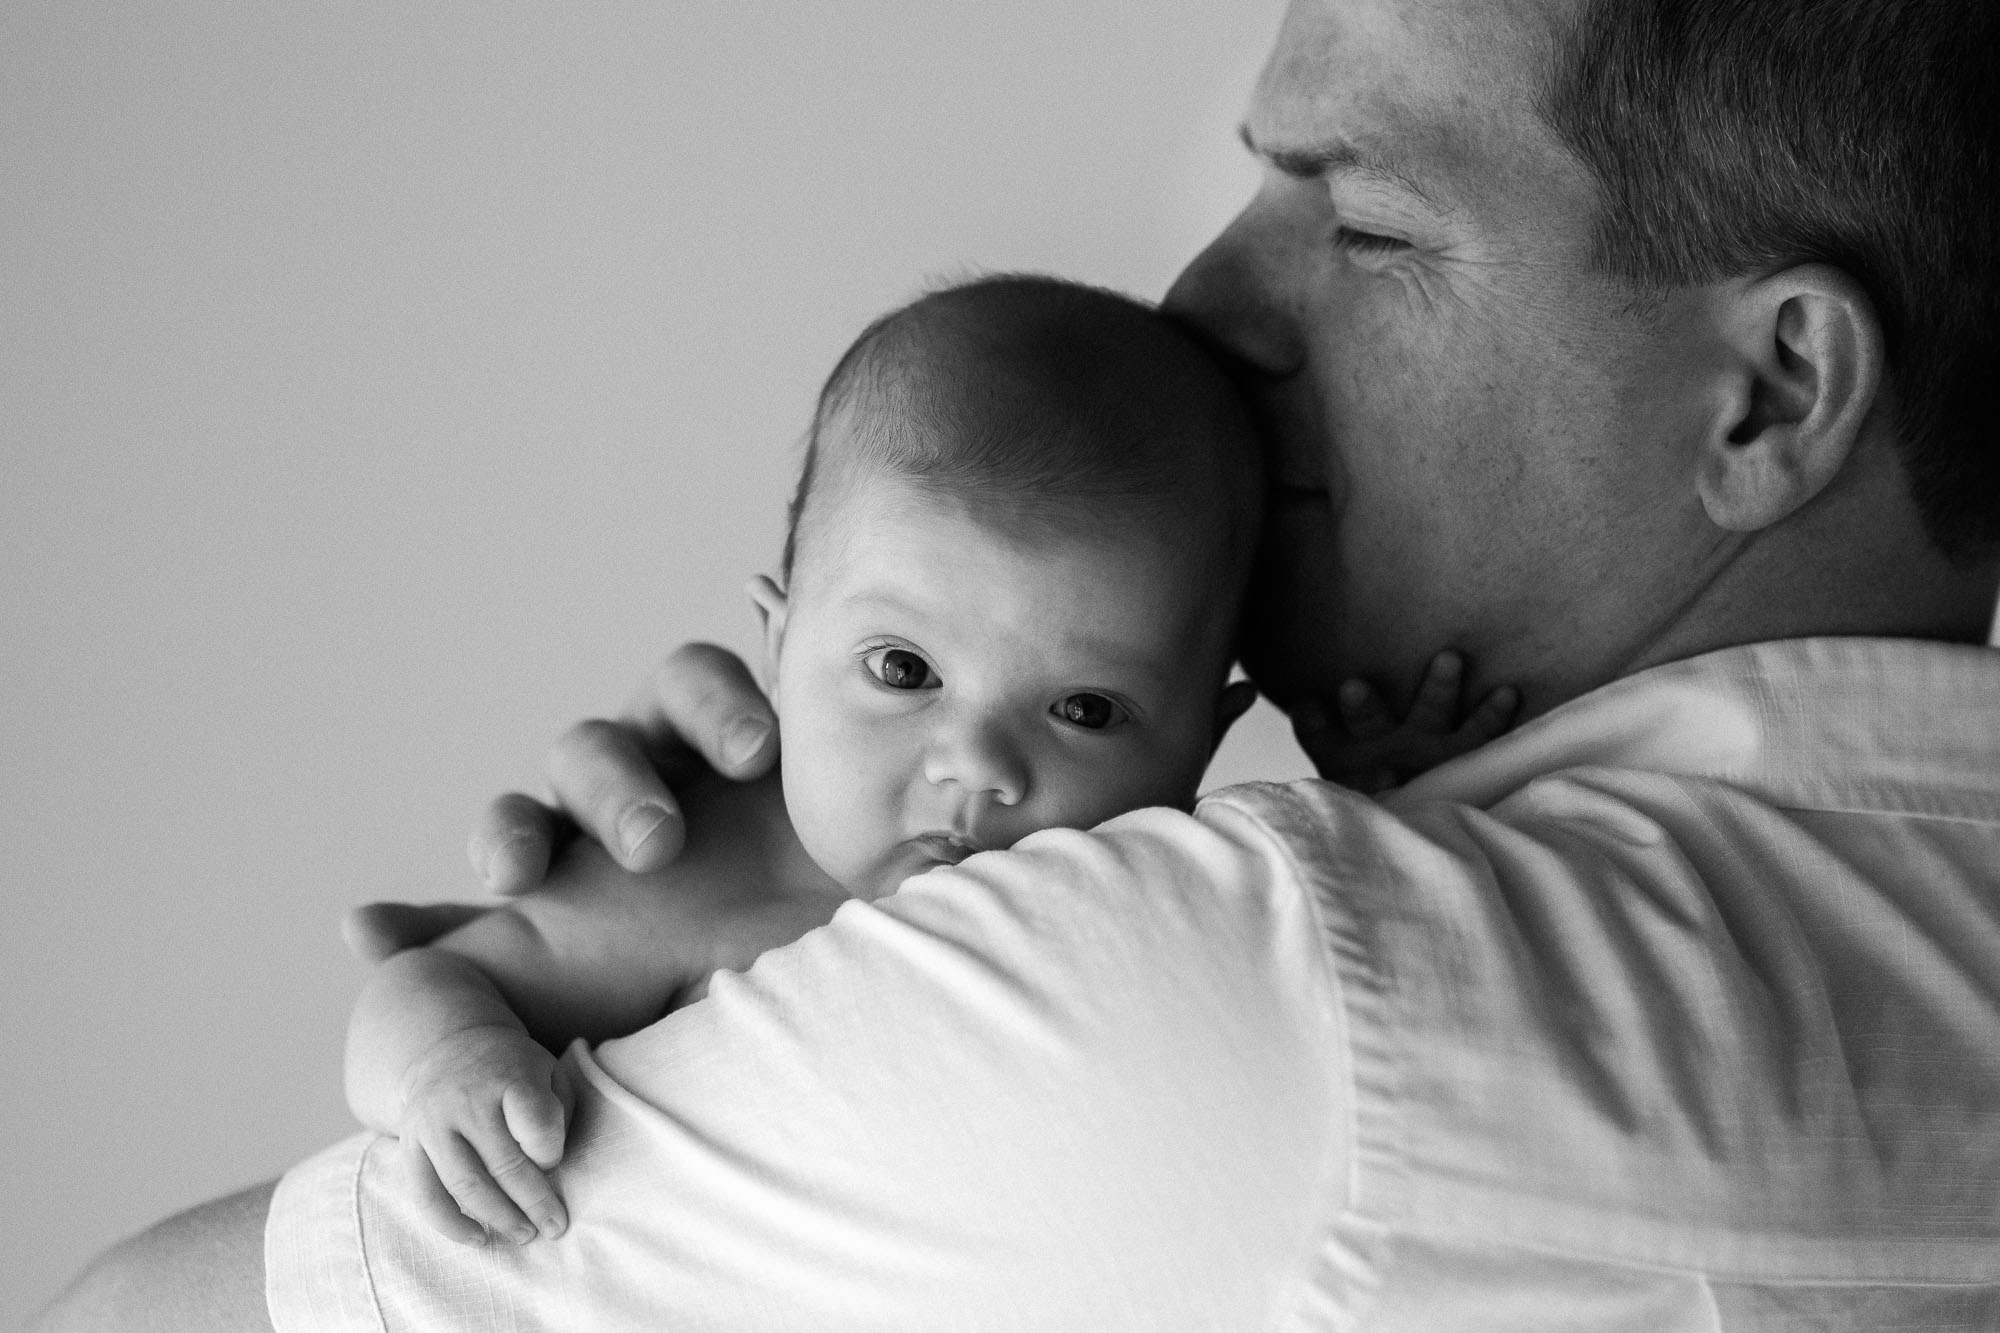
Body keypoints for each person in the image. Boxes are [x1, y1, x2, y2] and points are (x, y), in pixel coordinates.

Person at [38, 0, 2000, 1328]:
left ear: (1771, 392)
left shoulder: (1266, 1002)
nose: (1207, 299)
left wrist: (670, 972)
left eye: (1372, 223)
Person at [340, 272, 1514, 1249]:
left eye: (1088, 709)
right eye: (903, 670)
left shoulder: (1180, 888)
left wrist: (1394, 792)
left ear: (1203, 739)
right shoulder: (696, 865)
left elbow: (1362, 941)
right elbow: (431, 976)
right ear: (778, 644)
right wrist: (455, 1061)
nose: (978, 762)